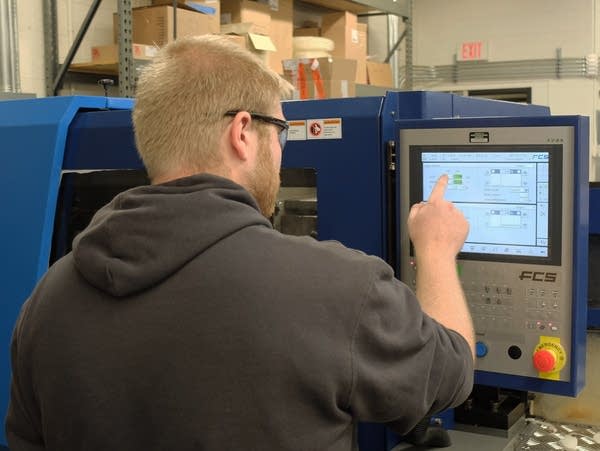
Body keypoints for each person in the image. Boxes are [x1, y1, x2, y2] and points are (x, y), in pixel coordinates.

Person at [6, 35, 474, 451]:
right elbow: (452, 372)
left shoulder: (48, 301)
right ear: (243, 132)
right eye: (281, 133)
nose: (281, 150)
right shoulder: (337, 288)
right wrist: (434, 251)